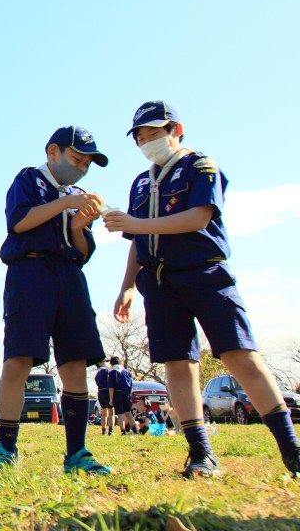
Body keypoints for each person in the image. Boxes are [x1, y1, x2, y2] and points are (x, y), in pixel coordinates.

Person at [105, 100, 300, 477]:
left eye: (153, 133)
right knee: (178, 363)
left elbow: (198, 217)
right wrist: (127, 285)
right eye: (140, 137)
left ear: (176, 131)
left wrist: (135, 224)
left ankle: (291, 447)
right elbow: (136, 241)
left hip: (205, 273)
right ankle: (200, 451)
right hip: (159, 282)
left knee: (239, 354)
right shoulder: (142, 182)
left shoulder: (200, 167)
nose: (146, 142)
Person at [0, 126, 111, 476]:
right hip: (29, 273)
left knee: (75, 363)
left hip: (69, 275)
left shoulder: (78, 194)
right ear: (53, 152)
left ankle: (77, 452)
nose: (81, 168)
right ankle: (5, 449)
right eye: (76, 159)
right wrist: (65, 203)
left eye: (87, 164)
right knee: (19, 359)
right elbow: (19, 222)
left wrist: (79, 226)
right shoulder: (28, 179)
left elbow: (83, 252)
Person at [108, 357, 135, 435]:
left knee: (120, 413)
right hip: (127, 393)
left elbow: (111, 387)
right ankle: (134, 429)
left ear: (111, 364)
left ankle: (123, 431)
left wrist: (111, 400)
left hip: (117, 393)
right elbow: (131, 385)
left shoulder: (112, 372)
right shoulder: (127, 371)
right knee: (128, 412)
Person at [94, 362, 112, 435]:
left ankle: (103, 430)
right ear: (100, 363)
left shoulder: (97, 373)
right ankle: (110, 430)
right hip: (107, 391)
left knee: (104, 412)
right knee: (111, 412)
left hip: (100, 392)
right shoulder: (106, 371)